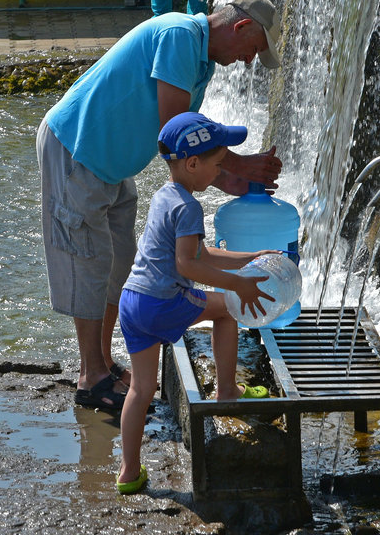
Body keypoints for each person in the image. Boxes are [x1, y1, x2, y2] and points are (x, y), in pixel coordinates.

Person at [36, 0, 283, 414]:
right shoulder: (179, 36)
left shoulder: (200, 60)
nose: (247, 61)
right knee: (90, 261)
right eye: (253, 50)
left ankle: (103, 363)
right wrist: (242, 165)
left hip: (110, 165)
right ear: (240, 27)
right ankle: (90, 376)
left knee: (121, 265)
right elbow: (176, 130)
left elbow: (190, 152)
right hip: (76, 149)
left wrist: (234, 181)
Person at [115, 111, 277, 495]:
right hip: (162, 302)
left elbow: (202, 253)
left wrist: (250, 256)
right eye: (218, 165)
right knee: (226, 309)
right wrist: (240, 284)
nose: (221, 174)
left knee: (140, 389)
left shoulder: (165, 196)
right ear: (192, 163)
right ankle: (226, 392)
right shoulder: (190, 207)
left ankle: (129, 472)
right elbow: (188, 264)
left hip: (132, 301)